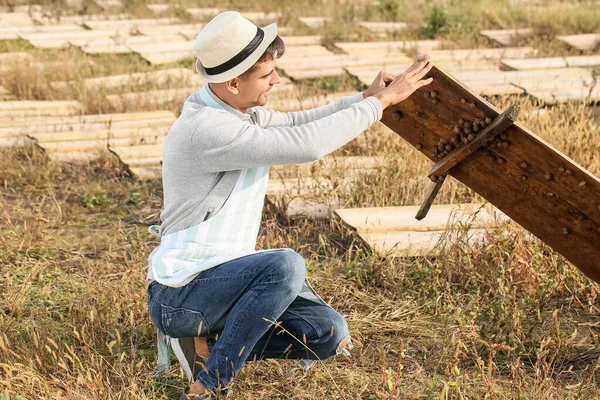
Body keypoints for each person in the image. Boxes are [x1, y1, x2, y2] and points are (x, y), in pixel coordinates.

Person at [145, 10, 433, 399]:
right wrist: (379, 104)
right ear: (233, 82)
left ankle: (209, 346)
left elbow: (298, 123)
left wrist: (363, 98)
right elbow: (307, 145)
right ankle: (208, 385)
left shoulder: (236, 112)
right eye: (267, 76)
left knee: (328, 333)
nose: (277, 80)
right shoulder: (208, 129)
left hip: (223, 283)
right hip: (181, 294)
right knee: (285, 264)